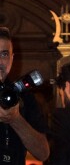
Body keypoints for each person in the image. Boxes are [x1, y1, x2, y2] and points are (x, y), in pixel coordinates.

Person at [0, 27, 49, 164]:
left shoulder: (24, 97)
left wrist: (15, 119)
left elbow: (43, 153)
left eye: (4, 54)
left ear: (12, 58)